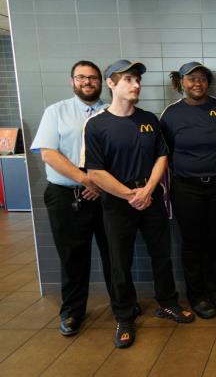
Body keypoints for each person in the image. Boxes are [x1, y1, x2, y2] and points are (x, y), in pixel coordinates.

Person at [82, 60, 194, 349]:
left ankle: (167, 303)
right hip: (118, 204)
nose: (136, 85)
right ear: (111, 84)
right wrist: (130, 195)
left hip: (151, 197)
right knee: (119, 262)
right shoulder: (96, 125)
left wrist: (148, 190)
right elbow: (95, 171)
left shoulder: (148, 119)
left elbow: (162, 157)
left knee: (162, 255)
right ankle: (124, 315)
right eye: (129, 80)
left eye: (138, 80)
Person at [30, 60, 112, 336]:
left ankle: (122, 306)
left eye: (93, 78)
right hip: (67, 196)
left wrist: (100, 185)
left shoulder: (112, 113)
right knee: (73, 257)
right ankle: (72, 312)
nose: (87, 82)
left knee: (113, 253)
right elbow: (48, 154)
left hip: (106, 197)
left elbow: (120, 155)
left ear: (102, 82)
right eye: (81, 77)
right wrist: (87, 180)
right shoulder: (56, 112)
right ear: (72, 81)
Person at [160, 62, 216, 318]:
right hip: (186, 189)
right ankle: (198, 296)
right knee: (192, 243)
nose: (197, 83)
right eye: (191, 78)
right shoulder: (171, 115)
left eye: (202, 79)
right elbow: (165, 154)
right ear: (181, 82)